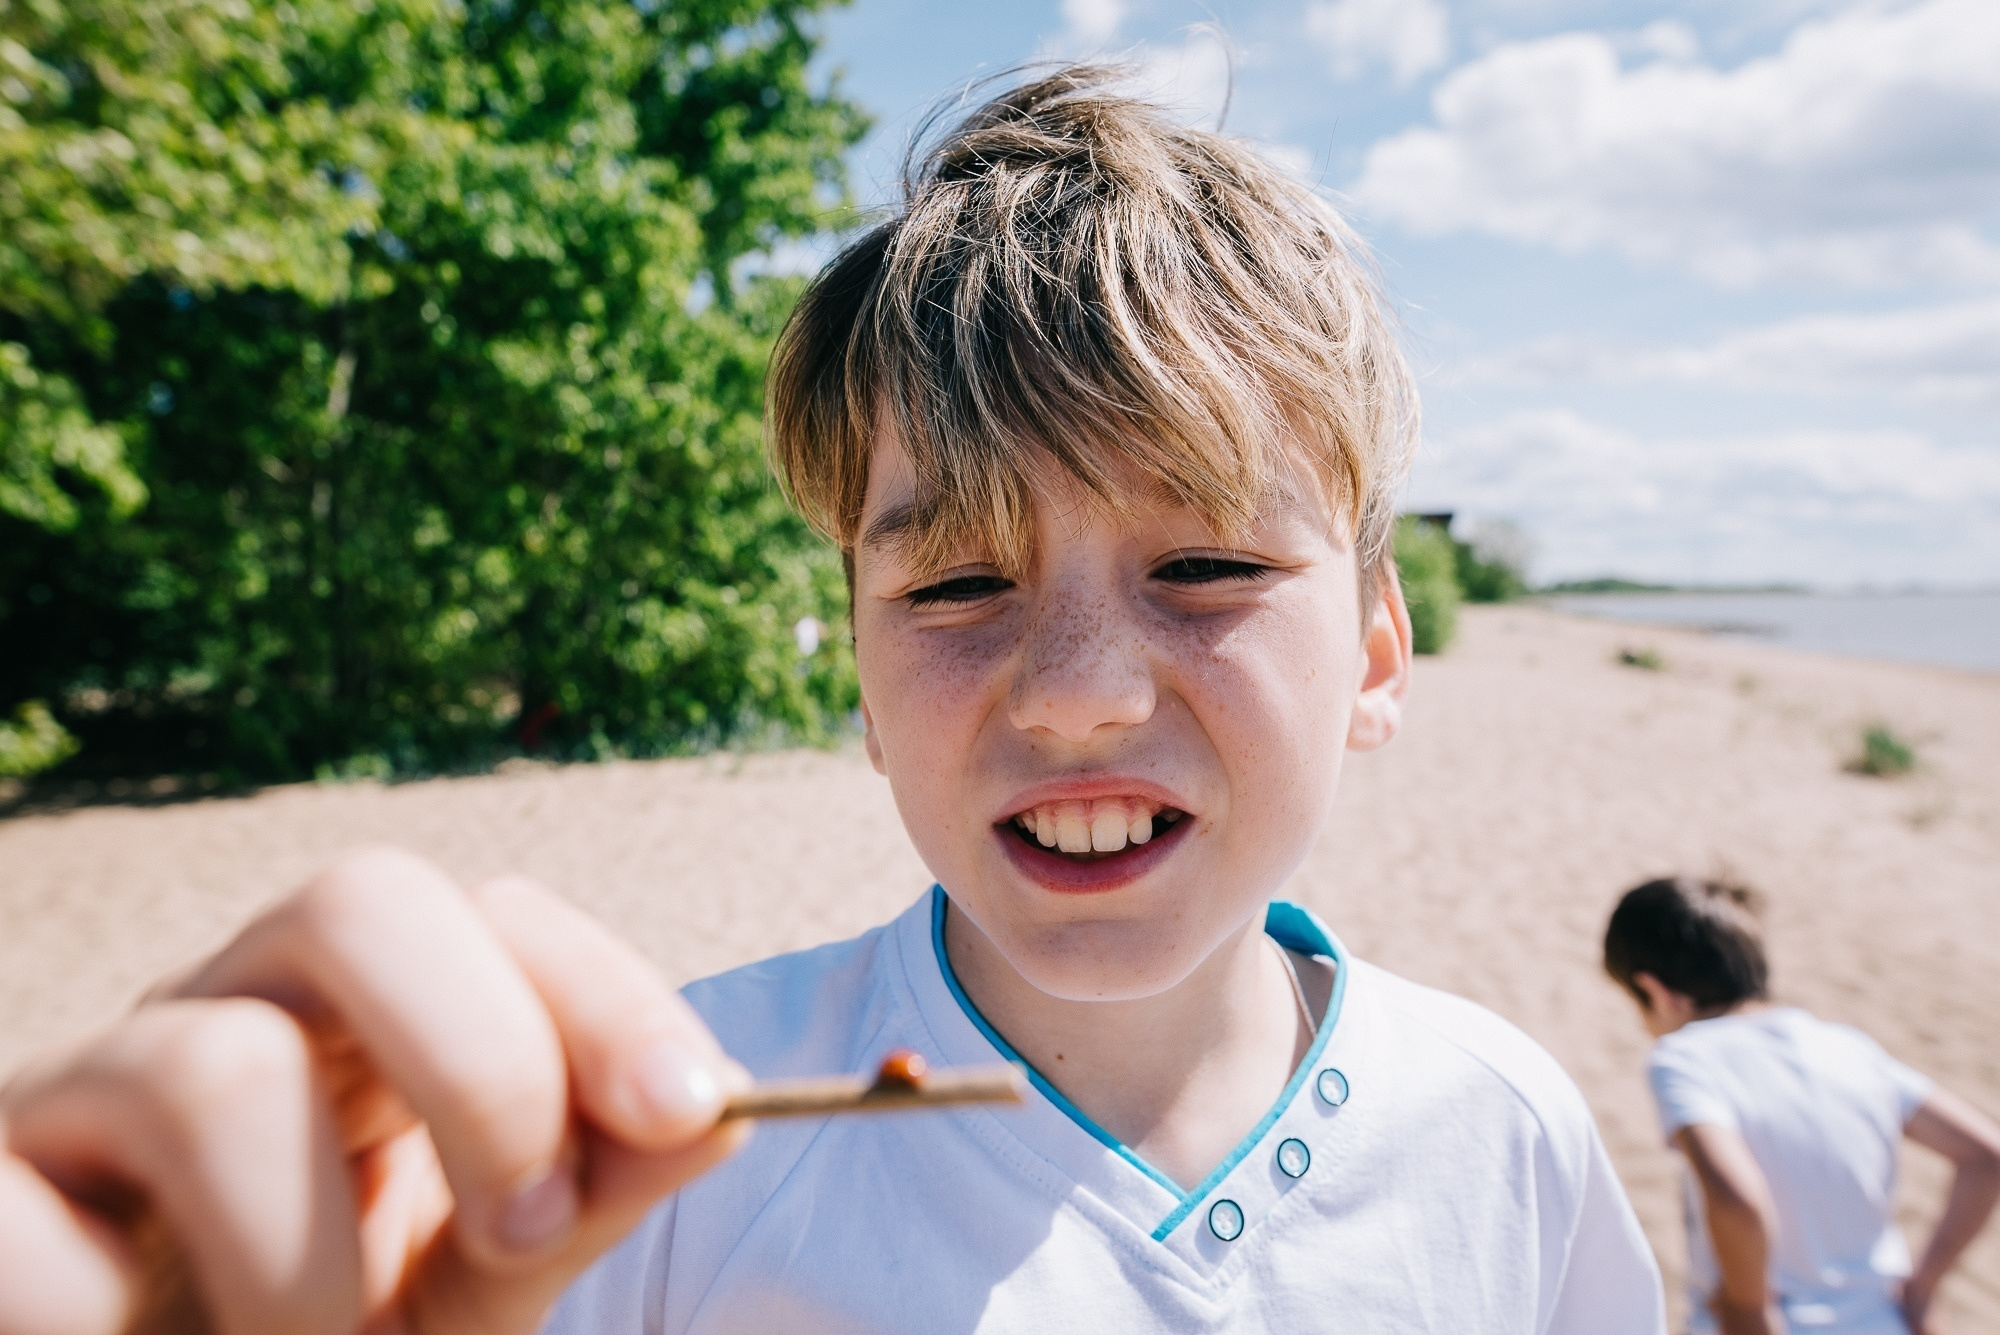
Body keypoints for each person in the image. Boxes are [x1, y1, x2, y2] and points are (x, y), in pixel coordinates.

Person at [0, 67, 1667, 1334]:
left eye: (1208, 566)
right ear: (863, 684)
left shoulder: (1509, 1134)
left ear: (1378, 651)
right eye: (953, 585)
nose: (1078, 698)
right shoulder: (640, 1174)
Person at [1604, 877, 2000, 1335]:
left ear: (1655, 991)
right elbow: (1985, 1155)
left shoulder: (1685, 1058)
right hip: (1884, 1321)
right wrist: (1924, 1286)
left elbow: (1736, 1197)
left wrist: (1749, 1307)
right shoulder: (1849, 1048)